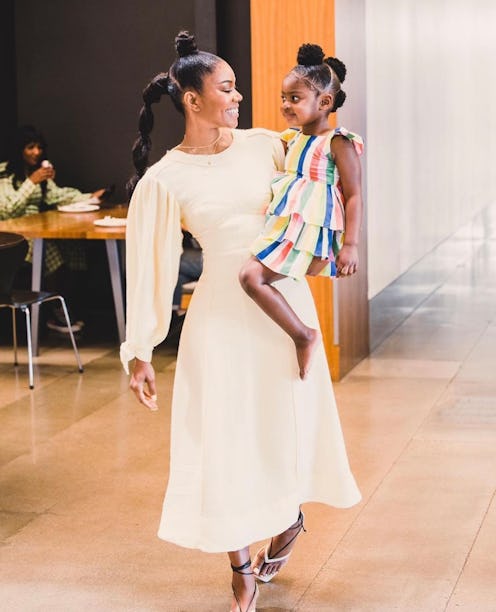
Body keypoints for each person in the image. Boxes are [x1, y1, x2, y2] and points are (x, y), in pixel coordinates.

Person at [121, 31, 361, 612]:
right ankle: (239, 568)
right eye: (226, 88)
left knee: (284, 425)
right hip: (220, 321)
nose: (238, 96)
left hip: (284, 308)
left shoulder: (265, 144)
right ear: (191, 99)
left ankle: (288, 519)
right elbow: (151, 268)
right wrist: (140, 350)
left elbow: (323, 174)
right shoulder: (164, 179)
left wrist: (343, 234)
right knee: (225, 438)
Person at [239, 44, 364, 381]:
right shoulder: (293, 139)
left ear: (325, 103)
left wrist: (350, 245)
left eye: (294, 98)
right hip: (289, 227)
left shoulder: (337, 142)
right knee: (250, 276)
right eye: (284, 97)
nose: (284, 105)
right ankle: (303, 332)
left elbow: (353, 195)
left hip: (312, 230)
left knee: (251, 277)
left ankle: (303, 334)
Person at [0, 125, 107, 332]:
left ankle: (62, 305)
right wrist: (32, 181)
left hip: (33, 230)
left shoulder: (36, 172)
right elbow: (8, 209)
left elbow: (57, 195)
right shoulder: (4, 173)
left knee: (73, 249)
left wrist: (90, 197)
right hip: (11, 237)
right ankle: (55, 310)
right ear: (19, 149)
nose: (36, 152)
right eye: (30, 147)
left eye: (39, 147)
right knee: (50, 252)